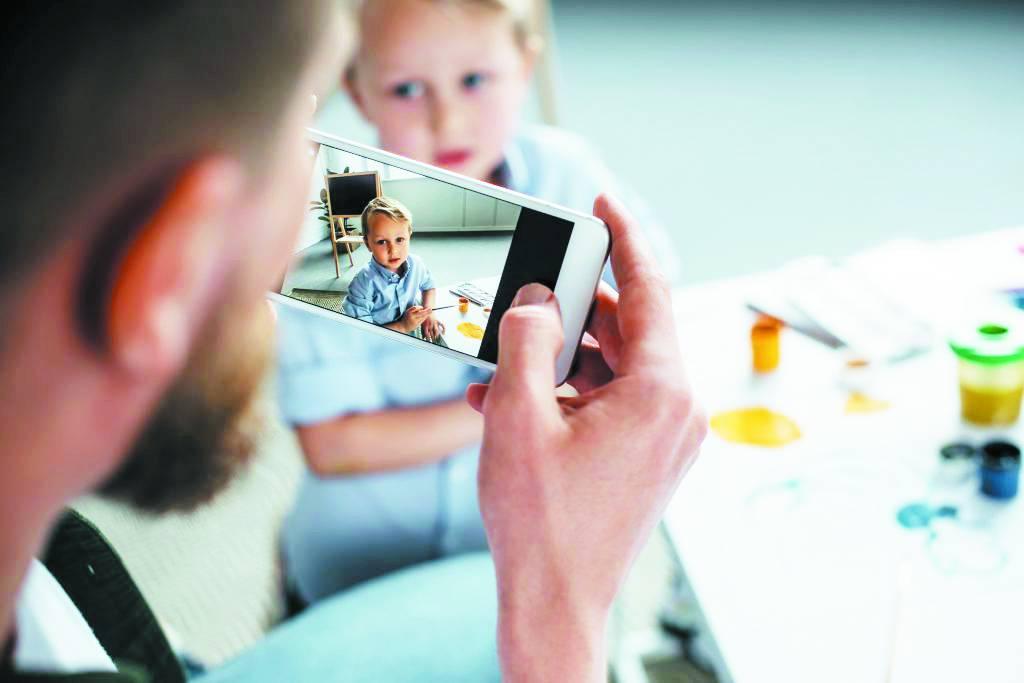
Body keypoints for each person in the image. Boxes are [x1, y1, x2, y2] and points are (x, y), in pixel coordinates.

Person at [0, 4, 707, 683]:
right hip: (349, 571)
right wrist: (562, 621)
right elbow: (335, 447)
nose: (319, 202)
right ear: (173, 255)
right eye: (297, 139)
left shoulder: (62, 588)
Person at [343, 0, 681, 283]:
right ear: (358, 96)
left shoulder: (567, 171)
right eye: (406, 90)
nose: (449, 122)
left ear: (524, 68)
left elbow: (654, 282)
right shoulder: (349, 222)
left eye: (473, 80)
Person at [341, 195, 443, 341]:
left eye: (399, 240)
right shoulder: (362, 284)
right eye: (382, 242)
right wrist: (403, 326)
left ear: (409, 235)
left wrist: (429, 312)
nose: (393, 250)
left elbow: (429, 287)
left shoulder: (417, 264)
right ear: (368, 244)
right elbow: (362, 334)